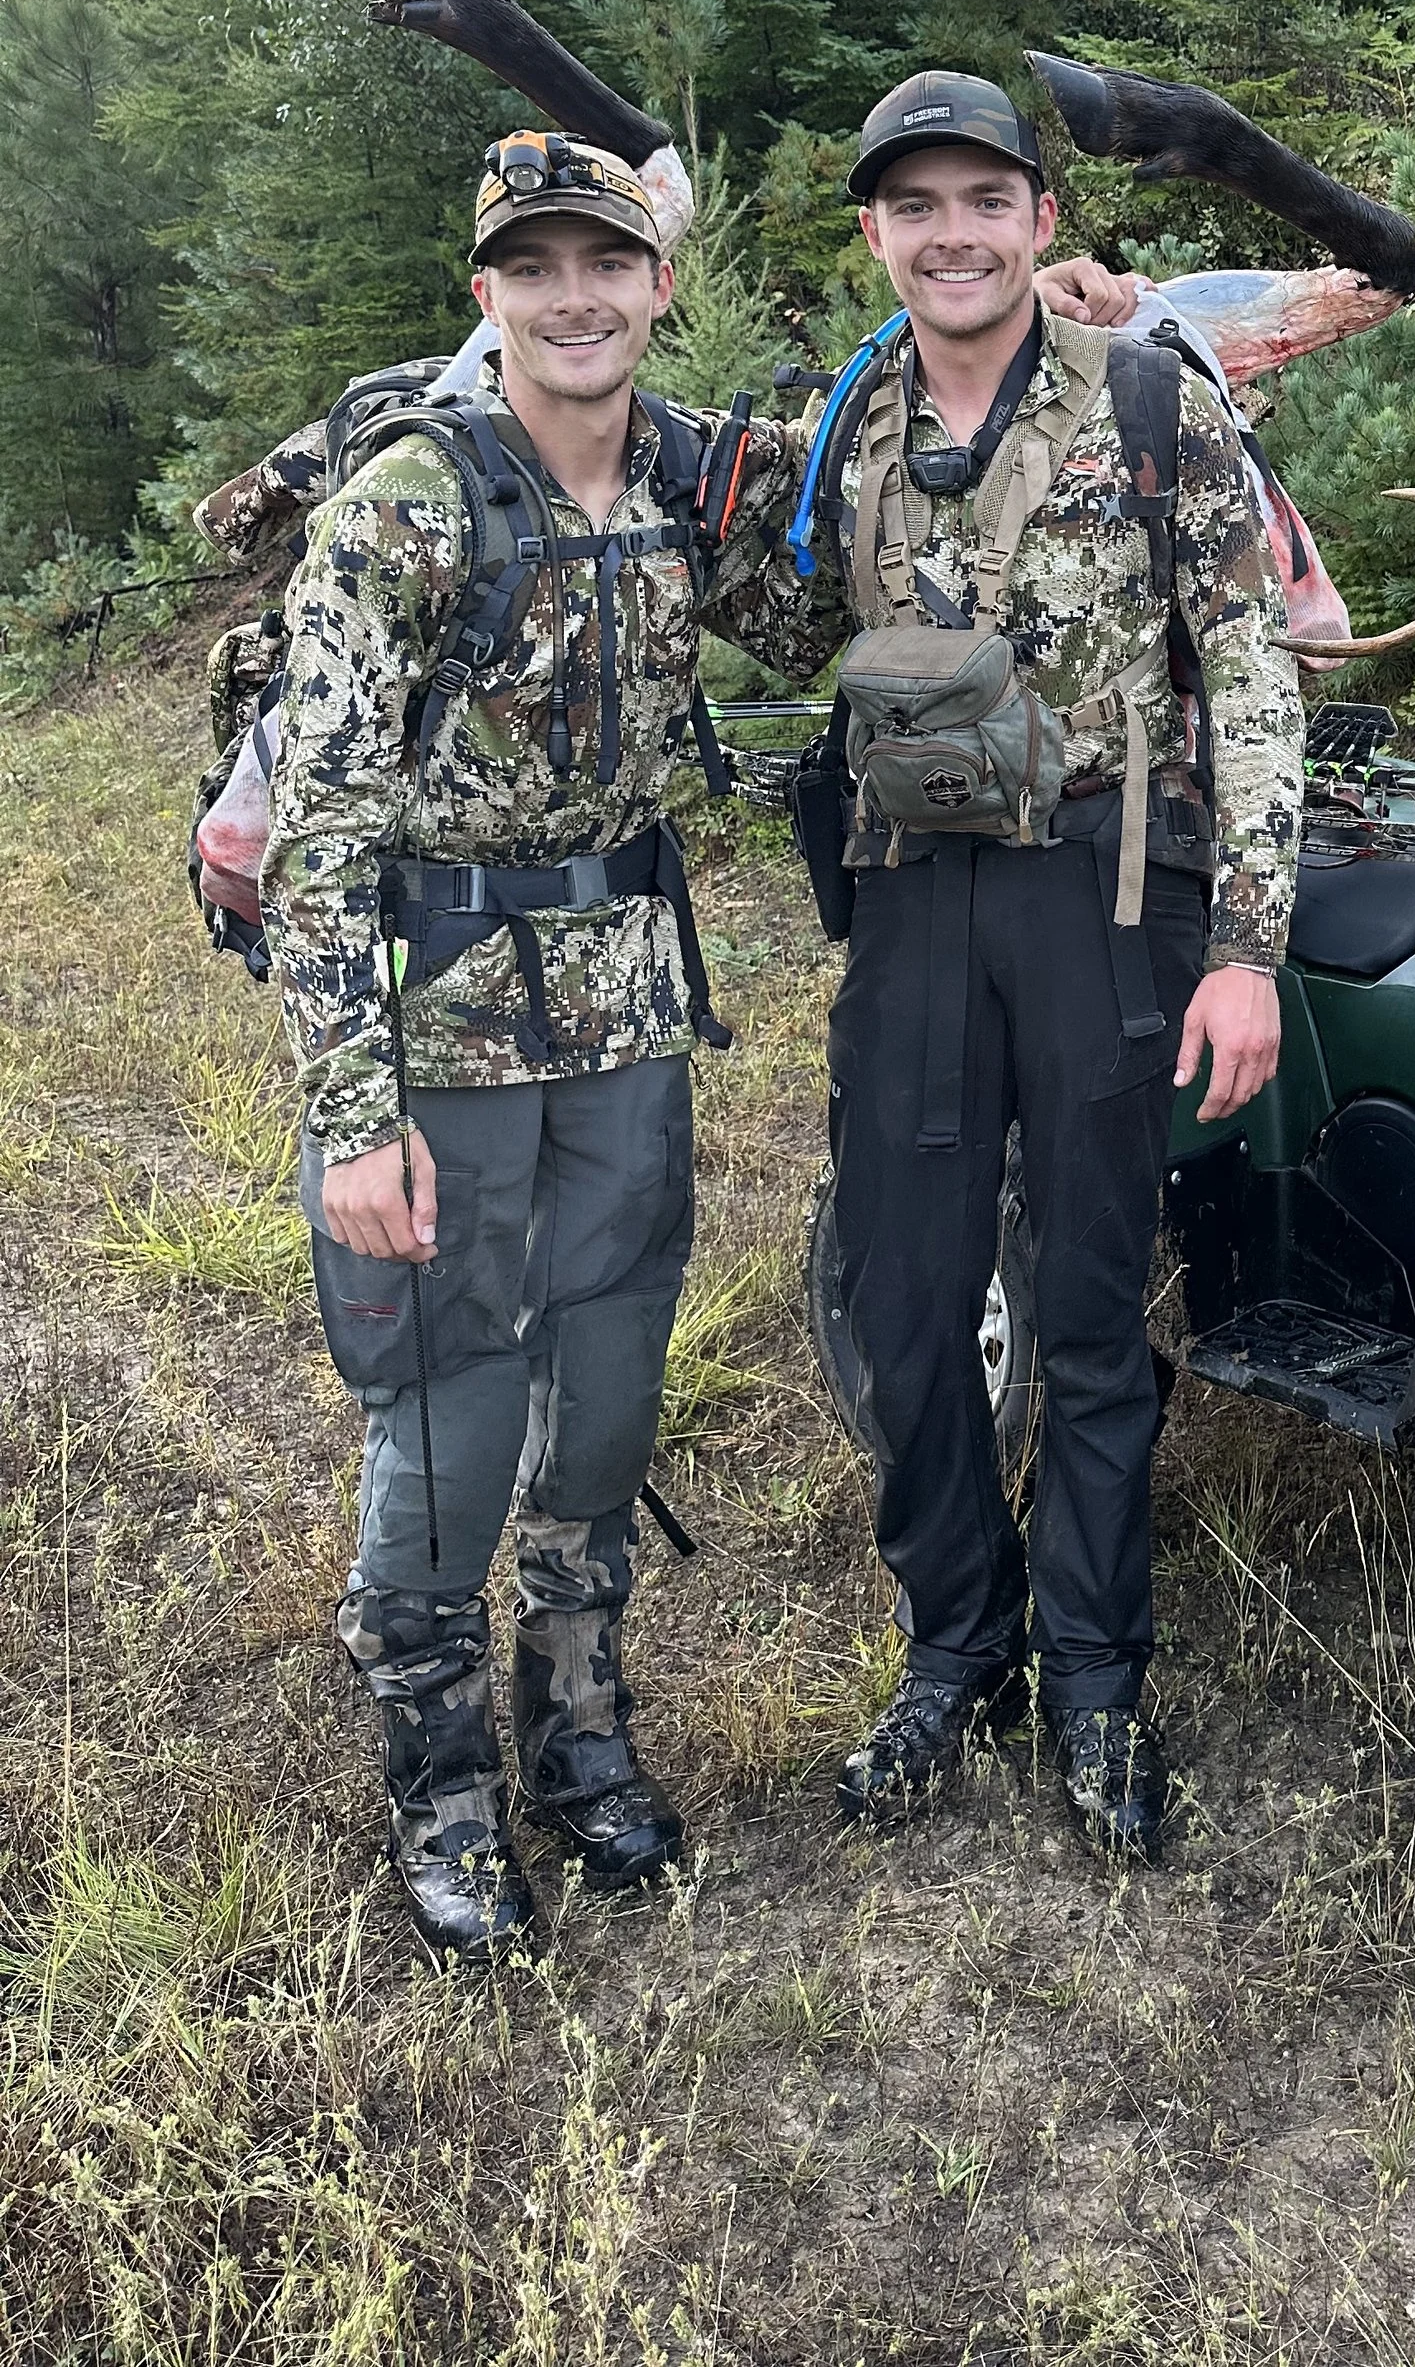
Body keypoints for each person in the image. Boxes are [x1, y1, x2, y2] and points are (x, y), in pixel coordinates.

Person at [263, 133, 831, 1960]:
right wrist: (354, 1118)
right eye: (536, 267)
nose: (575, 296)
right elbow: (322, 836)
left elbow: (825, 587)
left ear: (660, 282)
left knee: (610, 1376)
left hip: (627, 1017)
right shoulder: (406, 510)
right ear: (487, 293)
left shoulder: (686, 479)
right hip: (436, 1030)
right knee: (448, 1403)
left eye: (608, 260)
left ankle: (580, 1730)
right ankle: (440, 1783)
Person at [808, 70, 1303, 1860]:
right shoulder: (843, 427)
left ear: (1037, 218)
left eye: (984, 200)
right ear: (878, 235)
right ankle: (958, 1650)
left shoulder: (1156, 400)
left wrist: (1245, 946)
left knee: (1090, 1316)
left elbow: (1248, 673)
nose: (952, 235)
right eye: (915, 206)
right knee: (905, 1304)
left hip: (1102, 890)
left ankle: (1094, 1676)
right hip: (908, 894)